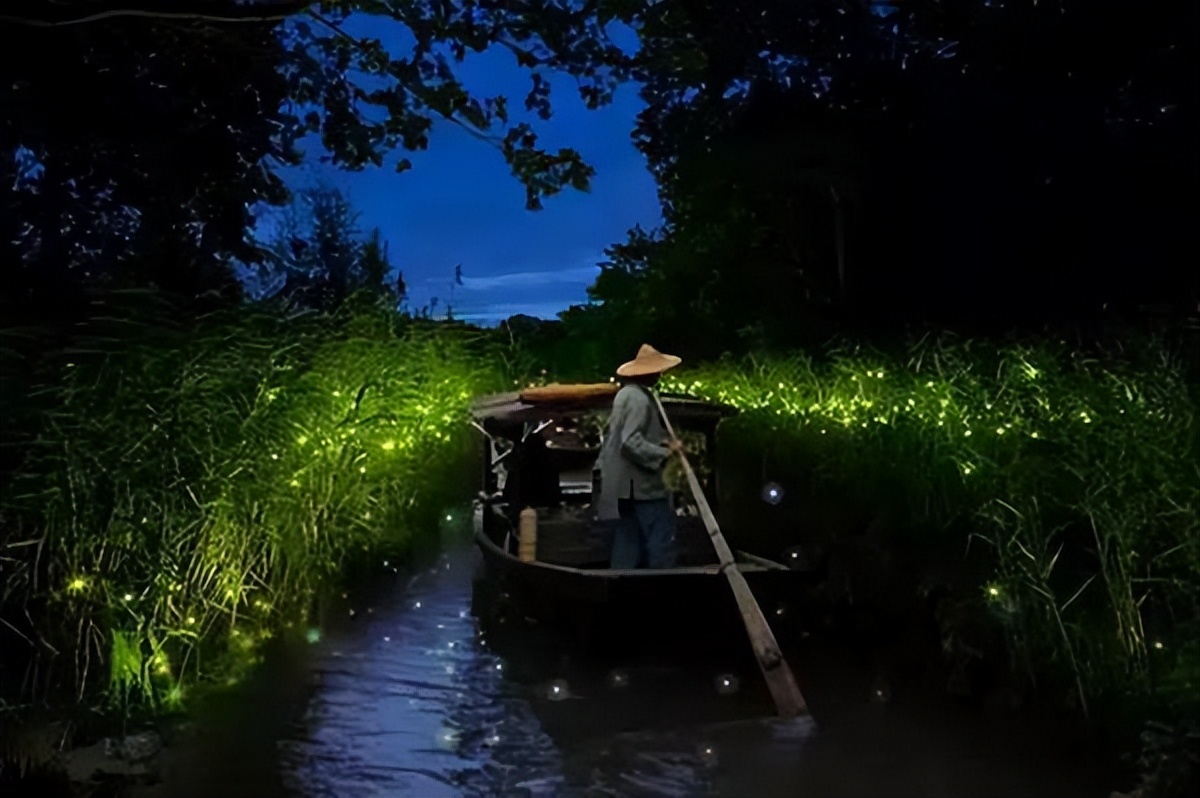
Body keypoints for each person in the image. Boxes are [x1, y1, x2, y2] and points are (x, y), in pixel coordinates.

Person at [592, 344, 686, 569]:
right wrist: (666, 452)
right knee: (659, 537)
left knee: (628, 539)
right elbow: (630, 441)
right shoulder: (638, 399)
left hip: (623, 484)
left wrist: (660, 441)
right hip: (639, 486)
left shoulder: (626, 395)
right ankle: (660, 586)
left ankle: (622, 586)